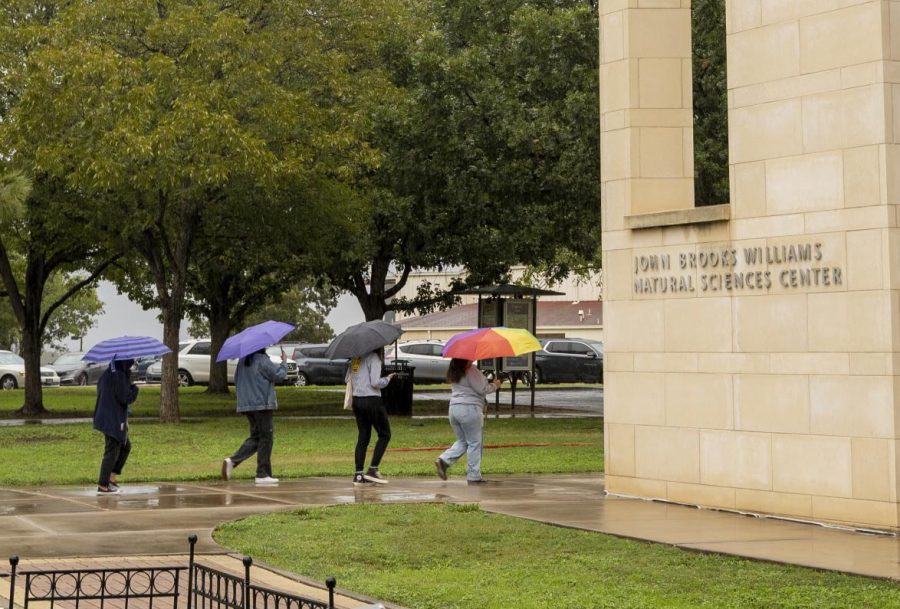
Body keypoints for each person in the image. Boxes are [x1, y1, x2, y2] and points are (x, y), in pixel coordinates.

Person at [221, 347, 287, 484]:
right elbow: (277, 375)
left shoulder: (243, 360)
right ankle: (262, 474)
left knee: (257, 437)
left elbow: (236, 379)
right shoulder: (262, 360)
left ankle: (232, 462)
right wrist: (284, 363)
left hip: (247, 404)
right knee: (266, 438)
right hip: (262, 403)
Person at [434, 358, 501, 485]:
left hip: (454, 409)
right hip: (470, 409)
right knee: (475, 443)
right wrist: (495, 385)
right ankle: (474, 475)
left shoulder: (455, 371)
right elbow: (482, 389)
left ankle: (444, 460)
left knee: (463, 441)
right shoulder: (471, 370)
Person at [348, 347, 395, 486]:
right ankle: (373, 469)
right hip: (372, 400)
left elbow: (347, 378)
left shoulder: (355, 358)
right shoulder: (374, 358)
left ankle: (358, 474)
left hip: (357, 400)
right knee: (385, 434)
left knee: (363, 436)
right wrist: (387, 379)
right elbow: (375, 382)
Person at [93, 359, 139, 495]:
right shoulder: (118, 375)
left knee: (125, 446)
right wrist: (135, 388)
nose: (132, 364)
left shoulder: (108, 373)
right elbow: (125, 398)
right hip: (112, 418)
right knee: (112, 450)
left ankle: (111, 478)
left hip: (106, 416)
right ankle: (103, 485)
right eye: (130, 362)